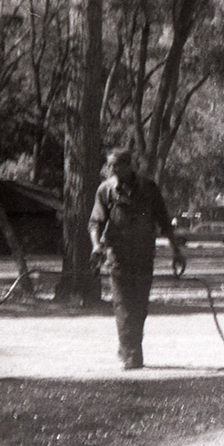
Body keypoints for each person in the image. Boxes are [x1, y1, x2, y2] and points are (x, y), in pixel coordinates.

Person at [89, 148, 185, 369]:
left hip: (143, 256)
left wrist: (176, 251)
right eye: (109, 166)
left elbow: (163, 221)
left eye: (114, 165)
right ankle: (131, 355)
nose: (110, 170)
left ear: (128, 165)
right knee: (123, 305)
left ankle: (129, 349)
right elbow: (95, 222)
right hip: (117, 257)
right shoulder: (106, 190)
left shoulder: (149, 189)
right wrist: (96, 247)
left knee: (139, 307)